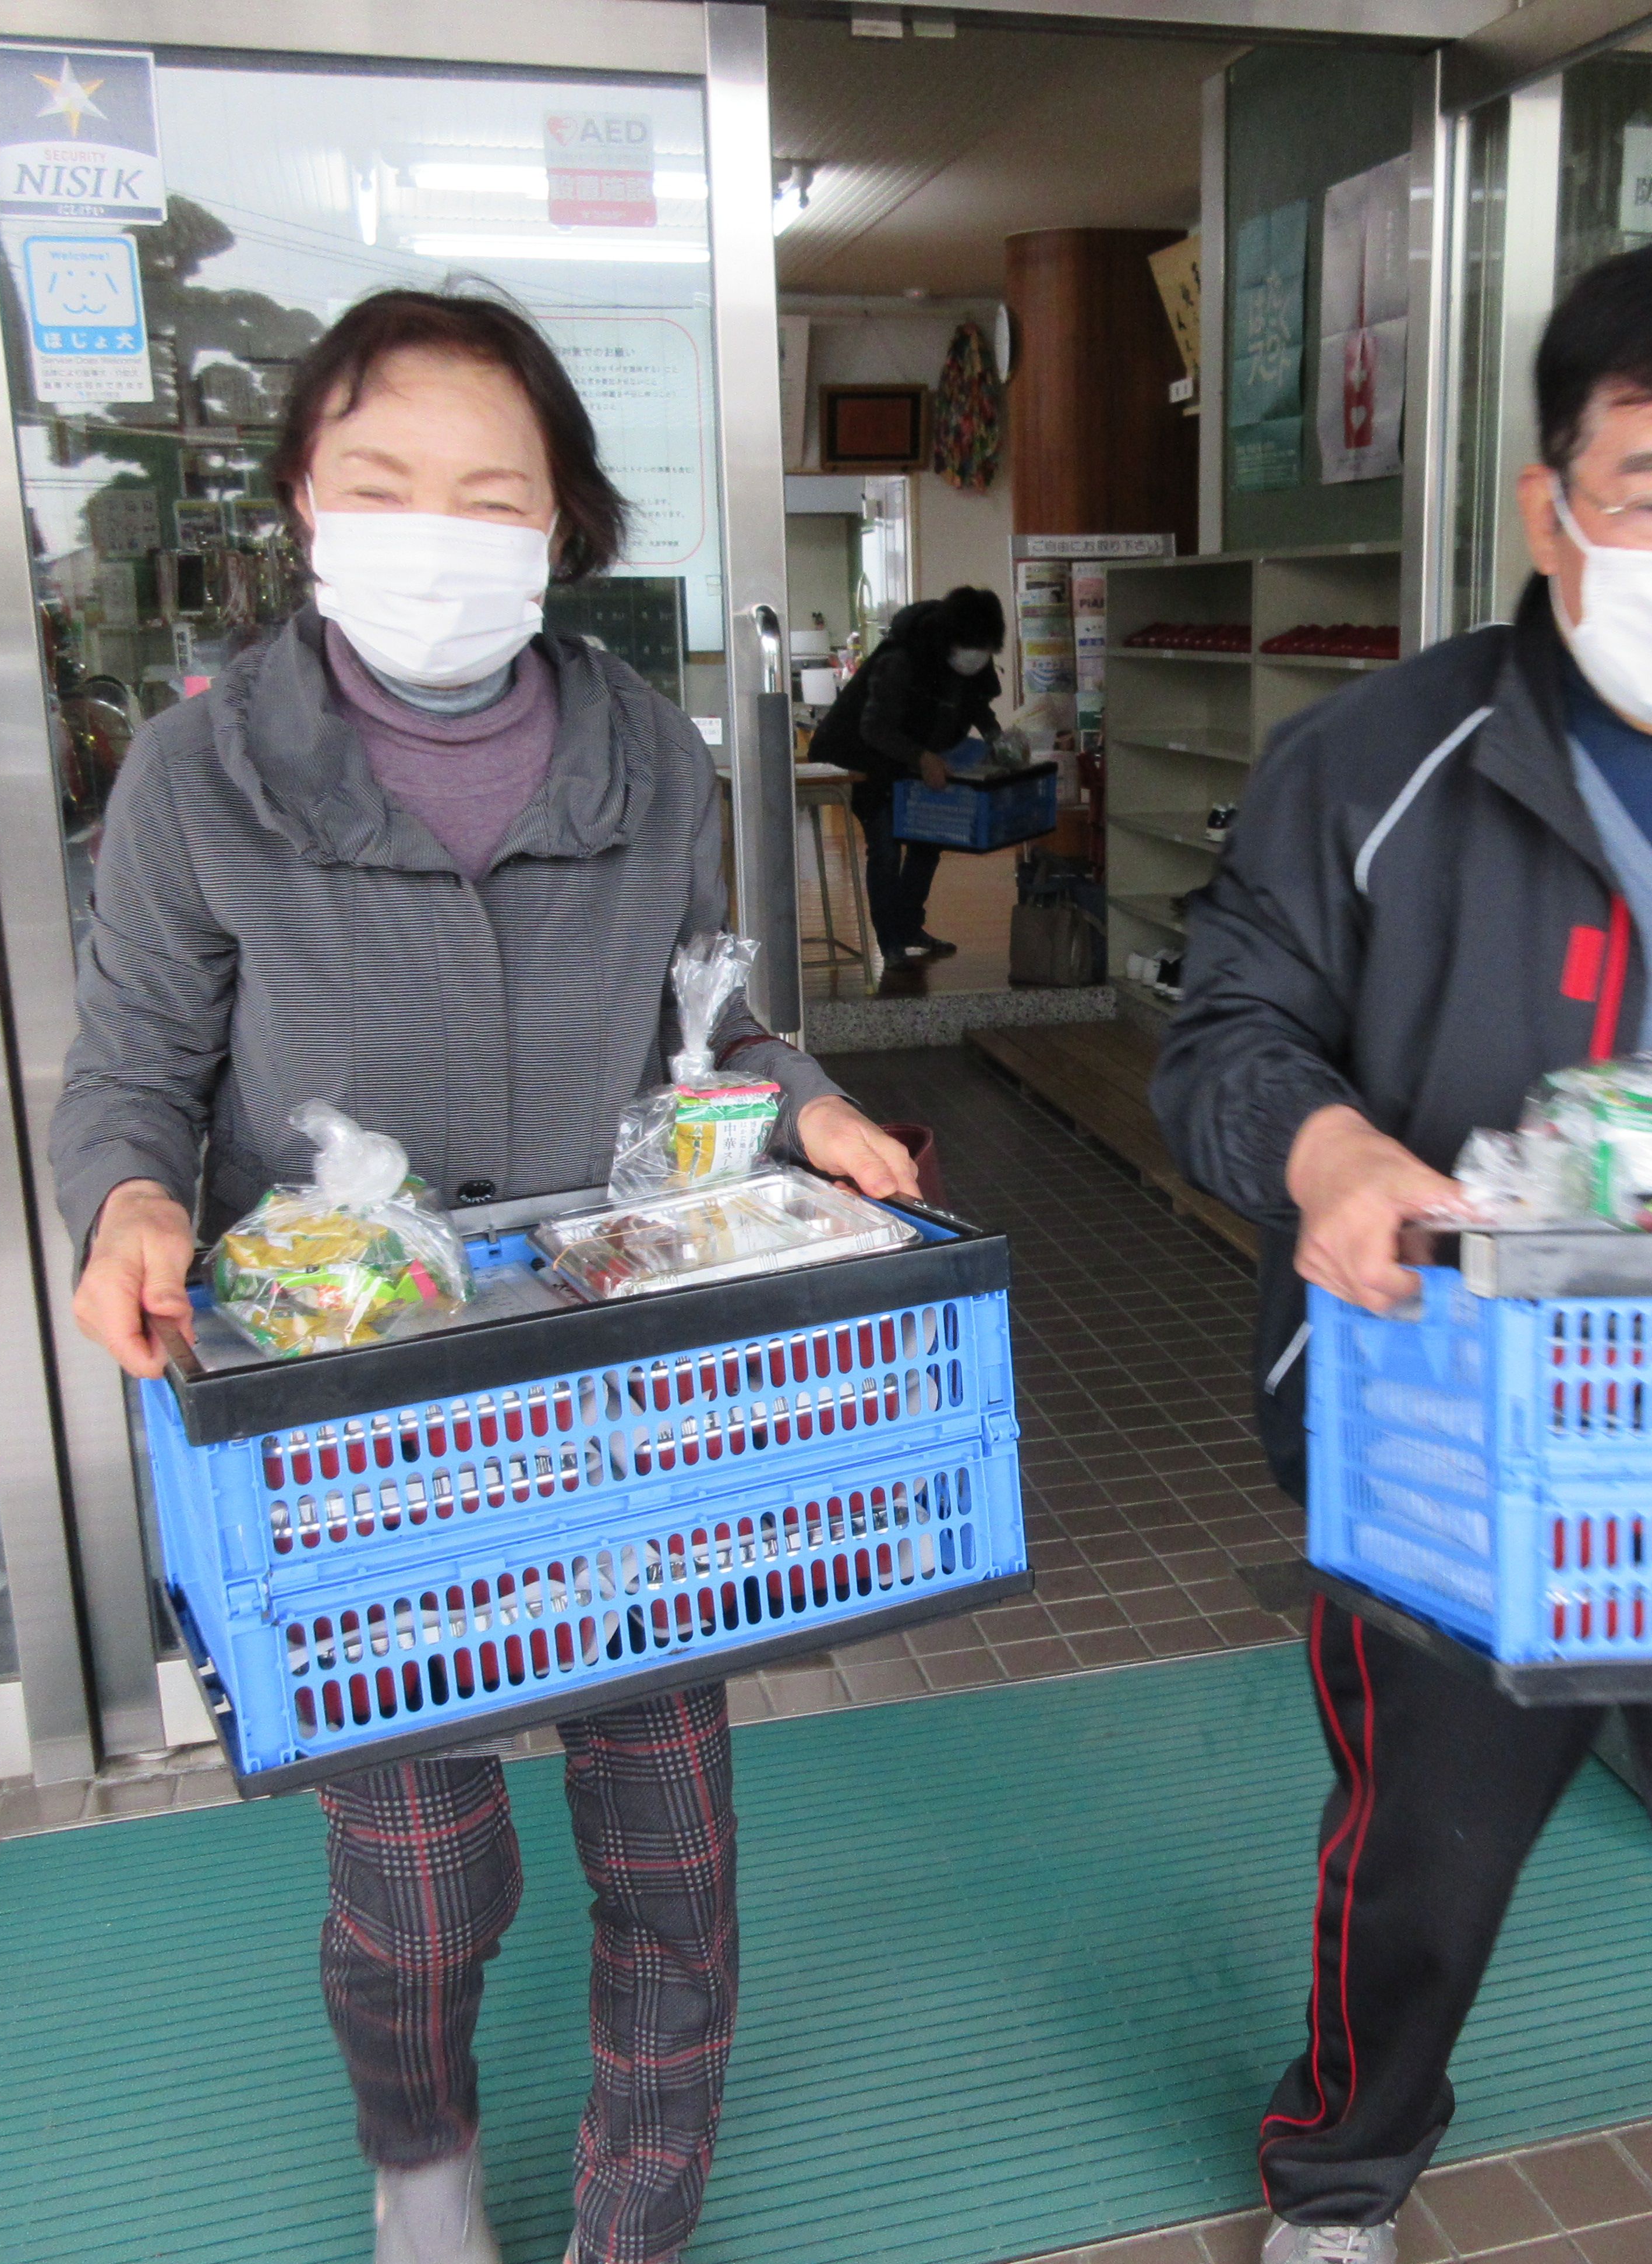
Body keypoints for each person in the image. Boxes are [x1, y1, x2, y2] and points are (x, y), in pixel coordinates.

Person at [51, 288, 921, 2264]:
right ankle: (422, 2155)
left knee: (674, 1853)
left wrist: (808, 1106)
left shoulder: (649, 755)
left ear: (560, 524)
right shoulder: (202, 776)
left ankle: (635, 2223)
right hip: (357, 1395)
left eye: (489, 491)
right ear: (303, 498)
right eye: (381, 482)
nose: (431, 533)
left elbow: (712, 1025)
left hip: (621, 1383)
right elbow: (132, 1067)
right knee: (424, 1873)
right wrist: (129, 1205)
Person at [1151, 236, 1652, 2264]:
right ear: (1555, 507)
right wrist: (1333, 1152)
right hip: (1457, 1438)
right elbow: (1225, 1032)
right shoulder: (1378, 762)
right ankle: (1341, 2176)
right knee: (1422, 1874)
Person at [806, 583, 1007, 961]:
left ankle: (909, 926)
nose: (978, 655)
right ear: (951, 638)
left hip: (916, 757)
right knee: (885, 848)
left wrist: (999, 739)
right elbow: (874, 728)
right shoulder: (902, 660)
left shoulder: (969, 662)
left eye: (986, 647)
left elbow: (978, 706)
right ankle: (891, 943)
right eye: (973, 645)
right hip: (864, 758)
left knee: (927, 842)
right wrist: (922, 757)